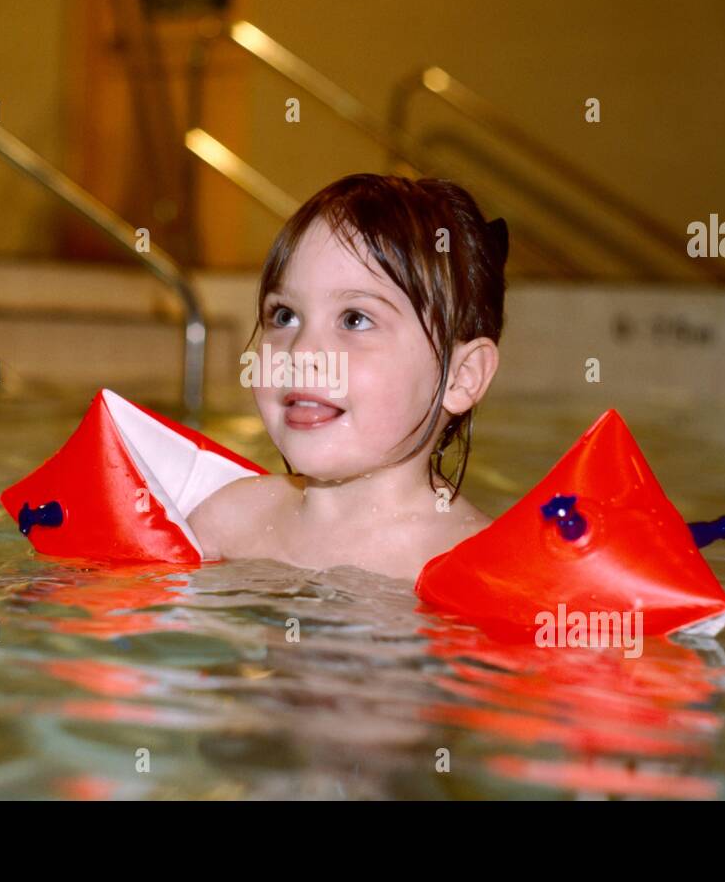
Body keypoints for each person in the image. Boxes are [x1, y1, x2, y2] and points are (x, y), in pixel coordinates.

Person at [187, 173, 509, 581]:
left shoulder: (481, 568)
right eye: (285, 315)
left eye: (355, 319)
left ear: (461, 377)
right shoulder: (225, 523)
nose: (301, 352)